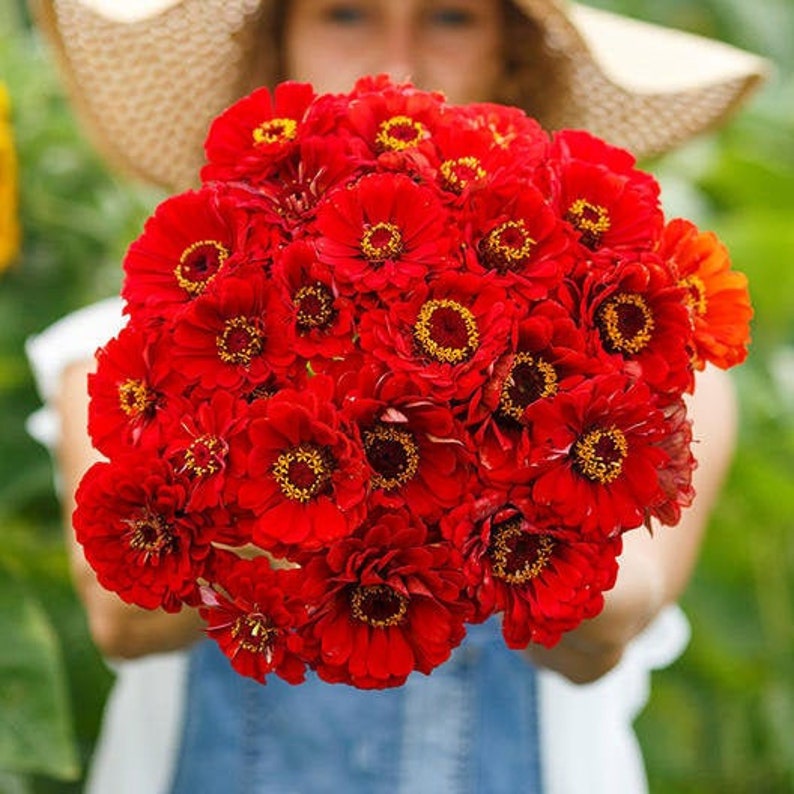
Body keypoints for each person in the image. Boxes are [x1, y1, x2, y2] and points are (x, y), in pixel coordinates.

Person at [25, 1, 769, 792]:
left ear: (514, 57)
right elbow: (124, 616)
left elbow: (605, 634)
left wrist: (521, 499)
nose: (400, 59)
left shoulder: (650, 376)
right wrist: (276, 479)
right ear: (276, 47)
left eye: (452, 17)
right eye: (346, 13)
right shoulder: (132, 352)